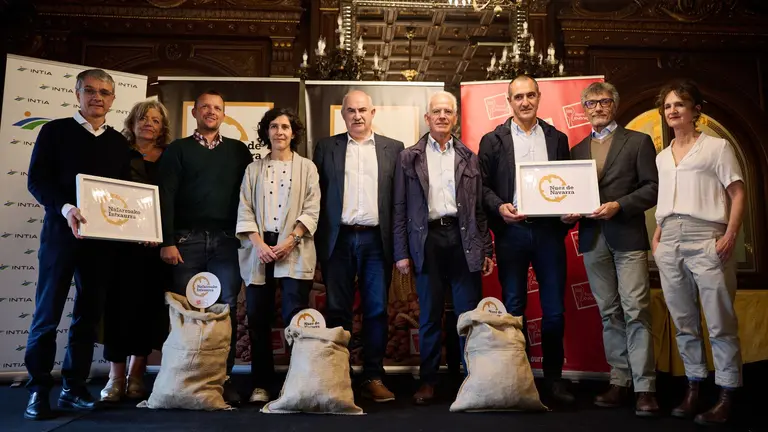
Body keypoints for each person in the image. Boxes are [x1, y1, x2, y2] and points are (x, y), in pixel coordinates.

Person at [24, 69, 133, 420]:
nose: (97, 97)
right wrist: (65, 207)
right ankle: (38, 390)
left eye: (104, 92)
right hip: (59, 237)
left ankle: (73, 388)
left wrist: (138, 223)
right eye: (90, 91)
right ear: (77, 93)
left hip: (100, 244)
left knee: (87, 317)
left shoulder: (119, 143)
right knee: (47, 315)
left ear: (113, 99)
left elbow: (125, 198)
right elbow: (37, 181)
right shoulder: (54, 131)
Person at [563, 82, 660, 416]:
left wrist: (620, 205)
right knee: (609, 313)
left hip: (627, 237)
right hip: (592, 239)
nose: (598, 107)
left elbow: (652, 190)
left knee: (636, 310)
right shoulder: (576, 151)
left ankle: (645, 387)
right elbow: (569, 197)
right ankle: (620, 381)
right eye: (591, 103)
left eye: (604, 101)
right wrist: (567, 213)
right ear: (584, 110)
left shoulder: (638, 142)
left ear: (614, 105)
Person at [653, 80, 745, 426]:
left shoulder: (717, 147)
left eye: (680, 104)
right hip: (669, 239)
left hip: (707, 236)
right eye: (668, 106)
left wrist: (730, 234)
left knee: (720, 321)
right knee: (684, 322)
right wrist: (659, 238)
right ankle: (694, 387)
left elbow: (737, 192)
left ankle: (727, 393)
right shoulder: (662, 156)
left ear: (696, 111)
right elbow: (667, 201)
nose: (673, 110)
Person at [478, 75, 575, 405]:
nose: (524, 102)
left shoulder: (557, 138)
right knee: (514, 308)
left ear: (538, 97)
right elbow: (483, 189)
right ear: (509, 101)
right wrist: (500, 208)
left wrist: (567, 211)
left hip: (548, 232)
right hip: (512, 233)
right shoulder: (493, 140)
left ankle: (553, 380)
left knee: (554, 311)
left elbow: (567, 184)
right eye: (518, 97)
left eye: (530, 95)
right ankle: (520, 378)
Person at [394, 91, 494, 405]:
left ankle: (470, 379)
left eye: (447, 112)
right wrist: (401, 251)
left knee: (468, 315)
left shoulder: (468, 156)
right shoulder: (409, 156)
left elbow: (479, 208)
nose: (441, 116)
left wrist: (486, 248)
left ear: (454, 117)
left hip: (463, 239)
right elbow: (400, 206)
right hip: (427, 242)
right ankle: (428, 381)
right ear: (427, 118)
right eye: (436, 111)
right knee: (430, 316)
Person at [157, 90, 253, 405]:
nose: (211, 112)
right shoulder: (177, 150)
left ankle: (221, 379)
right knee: (186, 310)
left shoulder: (239, 151)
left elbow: (250, 197)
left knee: (225, 309)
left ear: (224, 115)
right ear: (195, 113)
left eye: (217, 108)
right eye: (205, 107)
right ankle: (184, 378)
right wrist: (167, 241)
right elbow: (165, 195)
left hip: (228, 242)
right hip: (186, 242)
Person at [313, 90, 404, 402]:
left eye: (363, 110)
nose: (357, 116)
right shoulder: (326, 147)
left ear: (373, 112)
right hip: (337, 241)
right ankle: (339, 375)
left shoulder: (394, 149)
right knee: (338, 310)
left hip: (376, 241)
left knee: (376, 310)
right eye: (351, 110)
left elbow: (399, 202)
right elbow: (316, 198)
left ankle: (373, 376)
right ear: (343, 114)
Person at [236, 108, 320, 403]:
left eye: (285, 127)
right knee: (257, 318)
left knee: (295, 318)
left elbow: (312, 208)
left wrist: (291, 241)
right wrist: (258, 244)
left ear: (293, 132)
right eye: (274, 127)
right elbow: (245, 208)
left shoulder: (307, 167)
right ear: (267, 132)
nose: (280, 132)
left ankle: (297, 383)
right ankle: (261, 384)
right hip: (259, 249)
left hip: (293, 247)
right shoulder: (253, 170)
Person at [99, 100, 173, 402]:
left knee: (148, 310)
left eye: (155, 120)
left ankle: (137, 376)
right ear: (132, 122)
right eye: (143, 118)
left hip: (155, 249)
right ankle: (115, 378)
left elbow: (173, 200)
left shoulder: (170, 157)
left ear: (162, 128)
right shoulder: (116, 151)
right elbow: (102, 194)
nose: (149, 124)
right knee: (117, 309)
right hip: (119, 246)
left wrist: (161, 234)